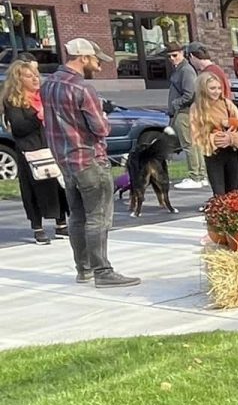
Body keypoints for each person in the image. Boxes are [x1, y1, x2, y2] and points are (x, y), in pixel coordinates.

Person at [42, 39, 138, 286]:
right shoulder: (83, 89)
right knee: (98, 217)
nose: (98, 64)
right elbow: (101, 128)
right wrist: (104, 117)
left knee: (77, 216)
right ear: (83, 58)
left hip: (65, 161)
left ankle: (83, 268)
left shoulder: (48, 84)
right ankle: (102, 271)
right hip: (89, 159)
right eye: (96, 59)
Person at [3, 57, 69, 244]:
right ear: (18, 79)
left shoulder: (44, 97)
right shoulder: (13, 101)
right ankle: (38, 228)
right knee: (34, 189)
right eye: (28, 76)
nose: (35, 79)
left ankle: (61, 224)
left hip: (50, 147)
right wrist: (38, 117)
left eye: (36, 75)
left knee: (57, 185)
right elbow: (19, 127)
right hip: (29, 150)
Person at [190, 72, 238, 196]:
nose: (216, 92)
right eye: (212, 88)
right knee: (219, 193)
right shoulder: (196, 108)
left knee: (236, 192)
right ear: (203, 89)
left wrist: (231, 135)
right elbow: (195, 136)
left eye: (219, 88)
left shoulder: (226, 103)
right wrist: (214, 139)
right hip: (213, 155)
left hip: (231, 152)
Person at [166, 45, 208, 192]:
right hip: (184, 111)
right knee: (193, 144)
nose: (172, 59)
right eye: (169, 56)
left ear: (182, 53)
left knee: (189, 144)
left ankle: (195, 176)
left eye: (175, 55)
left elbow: (189, 94)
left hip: (184, 112)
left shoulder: (185, 70)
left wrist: (175, 103)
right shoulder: (182, 69)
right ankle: (200, 175)